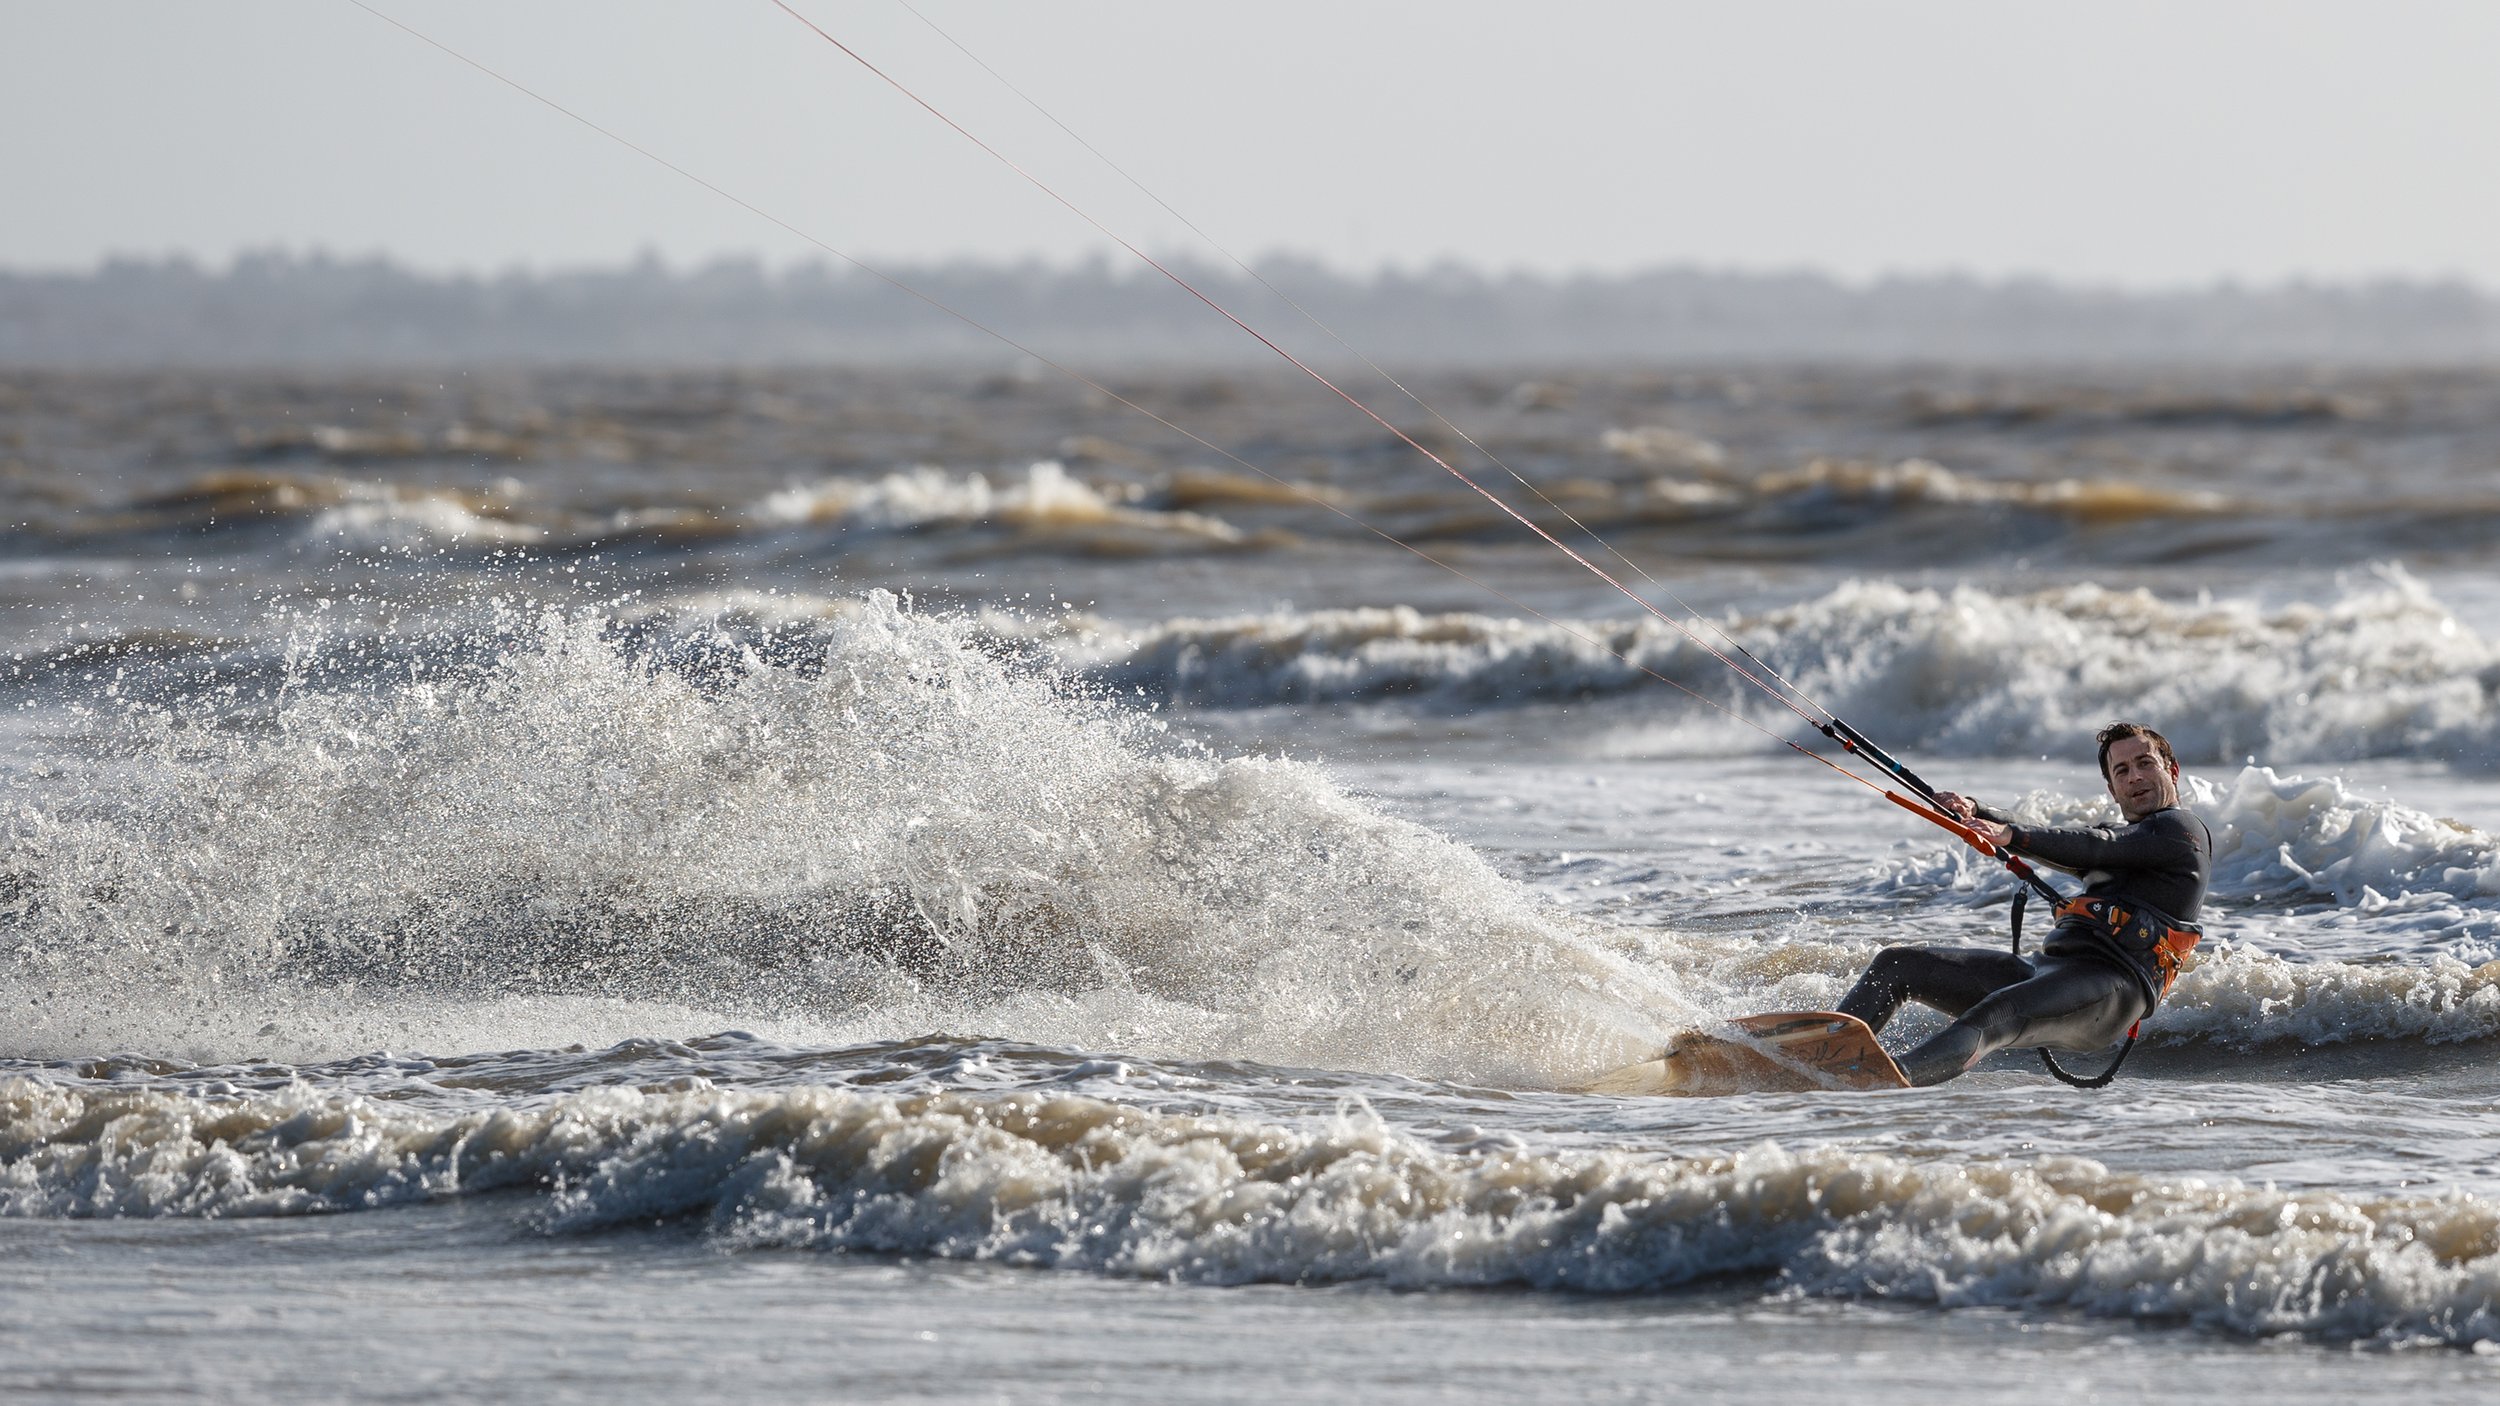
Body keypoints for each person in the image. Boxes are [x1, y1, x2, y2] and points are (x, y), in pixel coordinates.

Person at [1835, 720, 2213, 1086]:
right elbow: (2062, 836)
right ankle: (1822, 1054)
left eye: (2145, 763)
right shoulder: (2119, 839)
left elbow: (2096, 845)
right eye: (2122, 770)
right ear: (2113, 789)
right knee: (1897, 965)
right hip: (2048, 971)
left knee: (1993, 1016)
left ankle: (1882, 1082)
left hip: (2111, 988)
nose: (2135, 777)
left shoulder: (2180, 831)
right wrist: (1975, 810)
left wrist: (2010, 834)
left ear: (2172, 770)